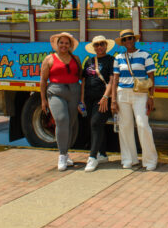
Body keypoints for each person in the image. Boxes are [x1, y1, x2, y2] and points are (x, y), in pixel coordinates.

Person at [111, 29, 158, 171]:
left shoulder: (145, 55)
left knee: (142, 125)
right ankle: (129, 159)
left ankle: (150, 160)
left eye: (130, 38)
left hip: (140, 94)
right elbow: (115, 80)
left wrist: (151, 97)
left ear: (135, 39)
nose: (128, 41)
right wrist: (113, 99)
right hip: (122, 94)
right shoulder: (118, 57)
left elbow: (151, 77)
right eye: (125, 39)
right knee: (125, 127)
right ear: (122, 42)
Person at [39, 32, 82, 171]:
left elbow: (81, 75)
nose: (64, 45)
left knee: (71, 124)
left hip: (74, 92)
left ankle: (66, 152)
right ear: (57, 44)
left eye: (66, 43)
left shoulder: (76, 58)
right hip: (56, 92)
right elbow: (43, 80)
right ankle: (62, 156)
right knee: (62, 120)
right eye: (61, 43)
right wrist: (43, 100)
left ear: (70, 45)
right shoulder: (49, 59)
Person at [81, 35, 116, 172]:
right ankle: (102, 154)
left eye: (102, 44)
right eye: (97, 45)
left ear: (106, 46)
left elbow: (112, 80)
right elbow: (84, 80)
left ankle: (92, 157)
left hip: (103, 100)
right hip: (89, 99)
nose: (99, 47)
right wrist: (81, 99)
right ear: (94, 47)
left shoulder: (111, 60)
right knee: (97, 126)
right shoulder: (89, 61)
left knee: (95, 123)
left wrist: (106, 97)